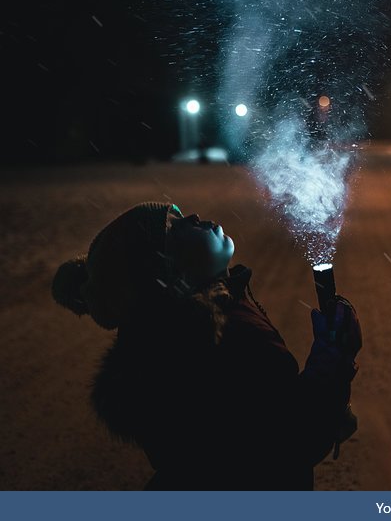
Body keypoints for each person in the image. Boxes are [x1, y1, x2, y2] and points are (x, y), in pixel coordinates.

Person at [51, 202, 361, 490]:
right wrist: (331, 367)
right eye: (175, 228)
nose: (193, 218)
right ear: (165, 271)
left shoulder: (203, 321)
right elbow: (286, 445)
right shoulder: (208, 343)